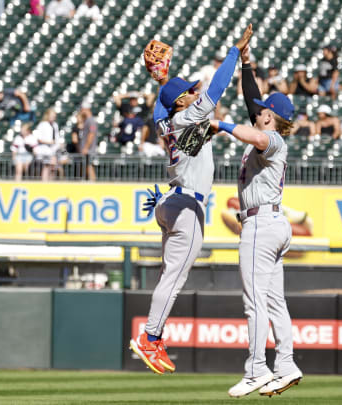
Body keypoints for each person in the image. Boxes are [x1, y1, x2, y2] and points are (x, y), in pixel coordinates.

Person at [130, 24, 252, 375]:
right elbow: (216, 89)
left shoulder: (166, 122)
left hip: (170, 201)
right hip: (185, 206)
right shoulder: (187, 117)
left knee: (169, 275)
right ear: (180, 101)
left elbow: (162, 108)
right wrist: (234, 50)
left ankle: (154, 335)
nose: (193, 93)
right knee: (175, 278)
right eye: (187, 92)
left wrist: (162, 84)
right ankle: (150, 337)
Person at [210, 44, 302, 398]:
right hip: (273, 225)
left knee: (254, 300)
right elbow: (253, 101)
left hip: (261, 225)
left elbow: (258, 134)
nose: (258, 111)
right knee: (275, 300)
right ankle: (287, 363)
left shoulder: (272, 138)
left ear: (272, 116)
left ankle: (256, 369)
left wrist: (219, 122)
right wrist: (246, 65)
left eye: (264, 110)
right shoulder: (268, 126)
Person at [34, 108, 60, 181]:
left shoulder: (55, 125)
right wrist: (49, 142)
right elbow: (38, 138)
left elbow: (56, 137)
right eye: (51, 116)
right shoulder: (42, 124)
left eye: (54, 116)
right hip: (45, 149)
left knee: (53, 167)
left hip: (53, 149)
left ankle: (51, 182)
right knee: (46, 166)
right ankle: (44, 182)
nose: (53, 118)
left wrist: (57, 144)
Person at [76, 102, 98, 181]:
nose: (81, 111)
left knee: (89, 166)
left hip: (89, 150)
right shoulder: (87, 120)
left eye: (82, 109)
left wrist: (86, 147)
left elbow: (91, 135)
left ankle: (93, 184)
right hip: (87, 149)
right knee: (86, 166)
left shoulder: (91, 121)